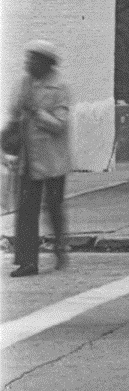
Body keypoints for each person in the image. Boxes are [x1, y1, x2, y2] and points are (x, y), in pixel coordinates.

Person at [8, 41, 75, 276]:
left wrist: (36, 112)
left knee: (54, 208)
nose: (29, 64)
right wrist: (21, 103)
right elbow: (14, 112)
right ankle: (28, 262)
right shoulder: (24, 83)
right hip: (28, 159)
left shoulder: (60, 88)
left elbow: (60, 124)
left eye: (34, 59)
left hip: (53, 160)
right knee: (26, 211)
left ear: (46, 63)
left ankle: (59, 246)